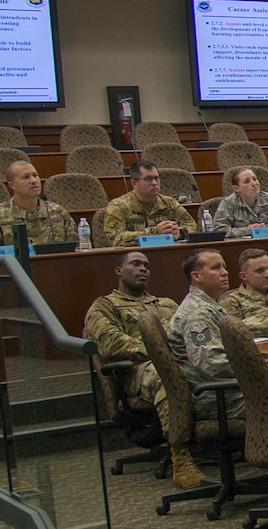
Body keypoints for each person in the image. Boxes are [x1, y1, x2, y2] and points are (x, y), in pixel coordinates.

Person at [83, 251, 190, 484]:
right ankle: (180, 455)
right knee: (166, 374)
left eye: (147, 266)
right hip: (135, 371)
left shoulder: (166, 303)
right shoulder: (105, 307)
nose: (143, 269)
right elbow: (112, 345)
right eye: (136, 264)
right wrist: (161, 350)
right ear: (119, 271)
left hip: (178, 360)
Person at [167, 248, 241, 421]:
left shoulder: (207, 305)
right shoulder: (197, 313)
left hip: (227, 391)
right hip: (216, 399)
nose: (225, 272)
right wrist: (259, 370)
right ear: (196, 276)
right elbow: (212, 365)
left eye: (224, 267)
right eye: (216, 268)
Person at [0, 160, 75, 249]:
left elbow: (76, 247)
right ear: (12, 185)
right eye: (26, 177)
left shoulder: (58, 212)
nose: (34, 181)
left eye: (35, 175)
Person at [99, 162, 196, 246]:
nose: (154, 183)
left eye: (156, 178)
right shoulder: (118, 207)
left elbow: (192, 226)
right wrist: (154, 232)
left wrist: (180, 233)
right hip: (133, 257)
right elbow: (116, 239)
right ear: (134, 183)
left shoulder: (169, 203)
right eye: (148, 179)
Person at [221, 248, 268, 335]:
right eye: (260, 271)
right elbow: (234, 333)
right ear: (244, 276)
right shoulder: (232, 302)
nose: (267, 274)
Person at [213, 166, 268, 238]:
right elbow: (219, 230)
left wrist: (265, 229)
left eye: (254, 179)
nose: (254, 184)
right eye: (247, 181)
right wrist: (248, 230)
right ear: (236, 188)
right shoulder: (228, 204)